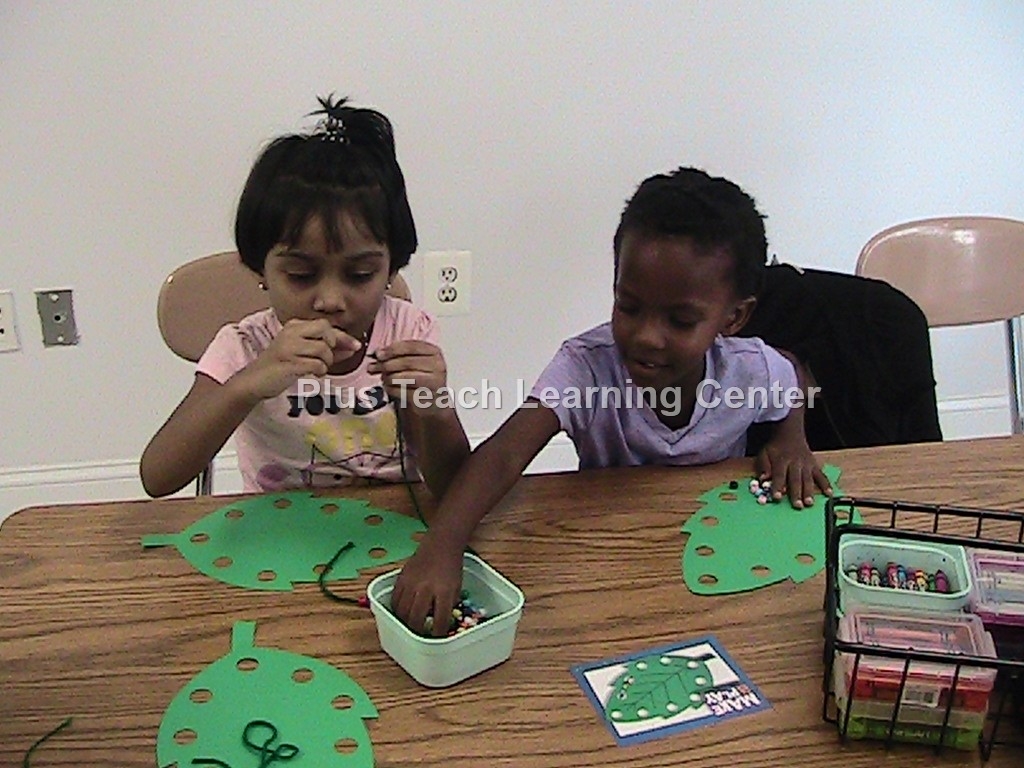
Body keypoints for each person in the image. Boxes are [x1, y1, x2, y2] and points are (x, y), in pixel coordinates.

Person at [392, 166, 832, 635]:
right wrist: (443, 545)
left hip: (716, 553)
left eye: (680, 321)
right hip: (609, 552)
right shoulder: (586, 368)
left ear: (734, 317)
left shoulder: (747, 369)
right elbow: (503, 455)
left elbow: (792, 376)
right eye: (629, 307)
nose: (647, 337)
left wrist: (791, 438)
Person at [140, 96, 469, 498]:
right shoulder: (245, 348)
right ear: (260, 270)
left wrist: (434, 407)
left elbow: (454, 486)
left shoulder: (407, 332)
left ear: (391, 271)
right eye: (301, 275)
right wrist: (245, 386)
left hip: (393, 518)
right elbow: (158, 478)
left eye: (360, 275)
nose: (330, 300)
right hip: (279, 523)